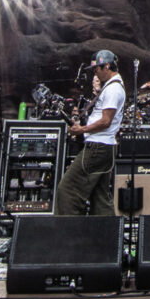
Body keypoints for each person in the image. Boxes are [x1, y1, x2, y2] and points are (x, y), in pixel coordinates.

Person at [56, 49, 126, 215]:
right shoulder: (111, 86)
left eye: (97, 69)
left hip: (97, 147)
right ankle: (107, 239)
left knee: (67, 191)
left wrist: (82, 129)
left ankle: (68, 237)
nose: (95, 72)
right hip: (105, 148)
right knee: (100, 198)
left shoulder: (113, 89)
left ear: (107, 66)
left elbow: (105, 121)